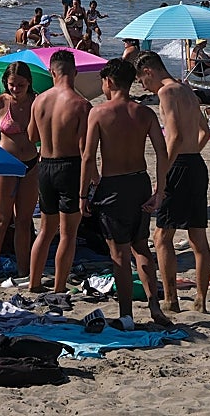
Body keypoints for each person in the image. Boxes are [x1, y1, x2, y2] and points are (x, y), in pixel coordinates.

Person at [81, 59, 171, 328]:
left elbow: (88, 157)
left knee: (119, 254)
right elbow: (162, 152)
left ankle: (126, 315)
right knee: (141, 246)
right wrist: (160, 190)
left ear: (109, 82)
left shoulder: (98, 113)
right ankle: (154, 306)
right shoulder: (145, 113)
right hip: (139, 182)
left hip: (113, 186)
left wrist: (83, 195)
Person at [135, 51, 210, 314]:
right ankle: (201, 299)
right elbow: (205, 132)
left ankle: (171, 299)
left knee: (162, 236)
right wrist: (192, 153)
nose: (144, 87)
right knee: (197, 237)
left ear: (149, 71)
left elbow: (175, 136)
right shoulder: (188, 90)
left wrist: (163, 174)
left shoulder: (166, 92)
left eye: (142, 81)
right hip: (196, 163)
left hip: (179, 165)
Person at [27, 50, 91, 295]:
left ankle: (34, 282)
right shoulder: (81, 105)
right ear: (74, 72)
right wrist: (92, 177)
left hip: (45, 166)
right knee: (68, 234)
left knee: (46, 229)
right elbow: (85, 148)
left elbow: (32, 136)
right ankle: (59, 286)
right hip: (70, 166)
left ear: (51, 72)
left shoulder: (39, 101)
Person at [0, 63, 40, 280]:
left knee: (24, 221)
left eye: (20, 85)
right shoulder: (0, 102)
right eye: (12, 84)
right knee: (1, 219)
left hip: (31, 164)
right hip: (4, 164)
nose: (15, 89)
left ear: (29, 83)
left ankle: (24, 271)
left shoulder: (37, 102)